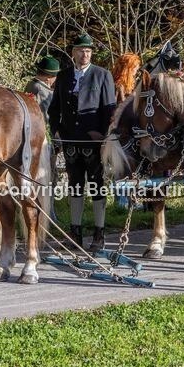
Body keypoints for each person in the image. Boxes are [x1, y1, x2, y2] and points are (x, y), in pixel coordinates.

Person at [48, 33, 117, 252]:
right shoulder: (64, 75)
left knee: (97, 186)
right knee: (74, 186)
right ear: (73, 53)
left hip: (94, 141)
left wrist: (104, 134)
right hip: (70, 141)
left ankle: (99, 233)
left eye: (88, 51)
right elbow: (54, 109)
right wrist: (56, 131)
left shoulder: (102, 75)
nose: (85, 54)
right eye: (81, 50)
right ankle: (75, 233)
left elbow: (110, 110)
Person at [24, 55, 59, 122]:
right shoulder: (41, 90)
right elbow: (47, 118)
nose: (56, 79)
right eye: (56, 76)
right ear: (49, 77)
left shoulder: (31, 83)